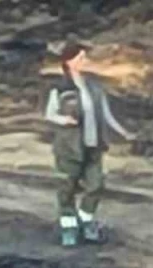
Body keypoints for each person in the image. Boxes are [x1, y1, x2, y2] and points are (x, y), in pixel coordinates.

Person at [43, 42, 135, 246]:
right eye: (80, 58)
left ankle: (85, 220)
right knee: (67, 187)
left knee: (96, 185)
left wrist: (122, 132)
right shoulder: (60, 88)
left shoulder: (94, 86)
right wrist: (64, 120)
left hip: (94, 145)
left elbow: (105, 114)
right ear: (69, 62)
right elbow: (50, 114)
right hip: (69, 146)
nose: (84, 61)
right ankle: (69, 227)